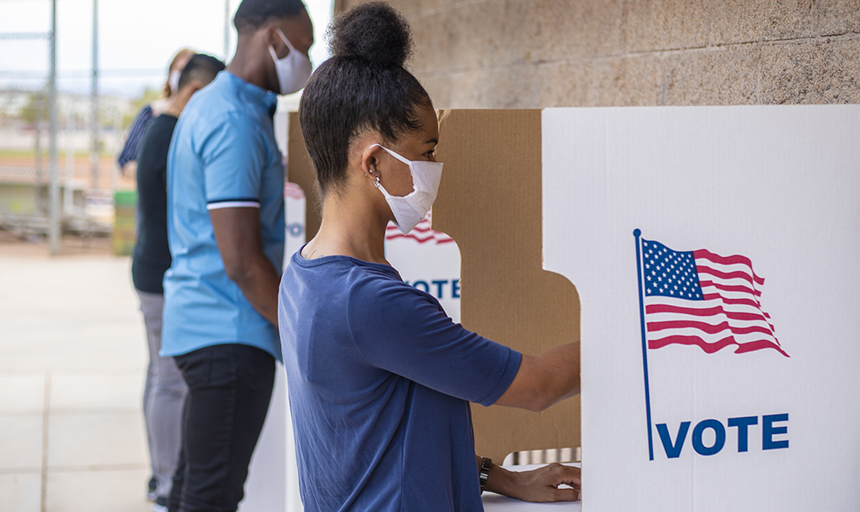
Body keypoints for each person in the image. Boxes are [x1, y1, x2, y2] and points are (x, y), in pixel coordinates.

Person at [278, 3, 582, 511]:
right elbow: (539, 386)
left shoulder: (306, 275)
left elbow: (373, 435)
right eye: (426, 152)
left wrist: (497, 476)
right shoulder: (370, 303)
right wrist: (633, 330)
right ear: (373, 161)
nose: (435, 168)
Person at [160, 1, 313, 511]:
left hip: (206, 326)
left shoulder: (220, 105)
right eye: (304, 47)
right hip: (228, 333)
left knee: (194, 488)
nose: (306, 62)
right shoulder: (234, 123)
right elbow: (243, 260)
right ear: (273, 39)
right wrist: (299, 337)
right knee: (211, 496)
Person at [132, 53, 226, 512]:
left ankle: (162, 475)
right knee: (170, 382)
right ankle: (167, 483)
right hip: (160, 277)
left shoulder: (160, 128)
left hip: (151, 271)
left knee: (160, 376)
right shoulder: (171, 136)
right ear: (192, 93)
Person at [118, 48, 195, 177]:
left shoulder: (200, 117)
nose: (182, 76)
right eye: (179, 70)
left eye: (187, 71)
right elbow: (126, 160)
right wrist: (152, 176)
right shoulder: (151, 113)